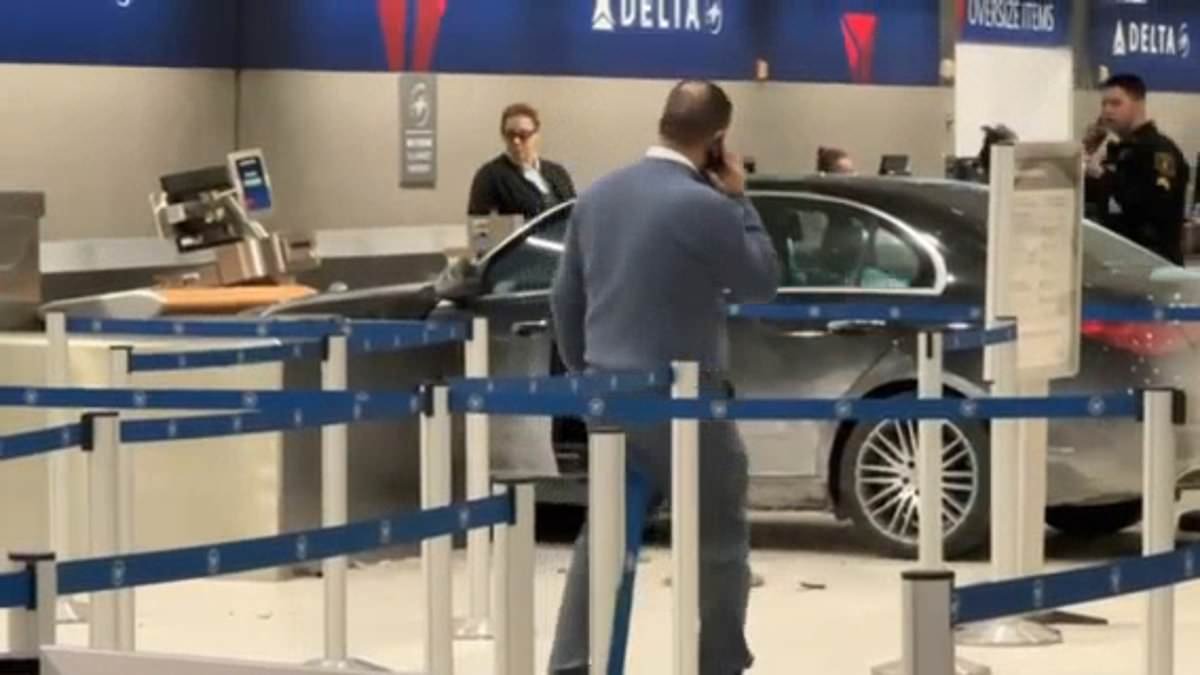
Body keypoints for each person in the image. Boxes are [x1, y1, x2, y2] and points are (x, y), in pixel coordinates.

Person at [548, 80, 780, 675]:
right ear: (718, 141)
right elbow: (761, 279)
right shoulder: (705, 205)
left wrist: (587, 373)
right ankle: (720, 660)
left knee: (601, 539)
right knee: (719, 537)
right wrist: (739, 198)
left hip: (608, 395)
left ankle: (574, 664)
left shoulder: (596, 197)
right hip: (685, 402)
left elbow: (564, 298)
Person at [1084, 74, 1190, 265]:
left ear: (1139, 104)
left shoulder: (1159, 150)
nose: (1107, 111)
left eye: (1116, 103)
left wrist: (1104, 177)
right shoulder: (1119, 151)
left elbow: (1156, 206)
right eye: (1104, 104)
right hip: (1119, 260)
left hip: (1153, 261)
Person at [467, 103, 576, 220]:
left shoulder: (557, 172)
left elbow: (575, 212)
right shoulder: (489, 176)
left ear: (536, 135)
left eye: (523, 135)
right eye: (510, 135)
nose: (516, 141)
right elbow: (479, 229)